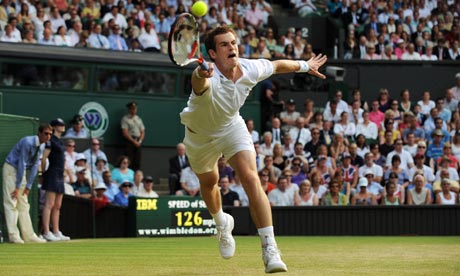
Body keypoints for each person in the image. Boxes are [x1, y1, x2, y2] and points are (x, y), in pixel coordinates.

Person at [180, 25, 326, 273]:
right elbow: (198, 83)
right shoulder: (206, 75)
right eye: (224, 44)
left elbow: (278, 65)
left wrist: (304, 65)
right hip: (199, 137)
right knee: (209, 182)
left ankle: (270, 249)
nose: (232, 47)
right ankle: (221, 224)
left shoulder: (250, 67)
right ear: (213, 54)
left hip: (230, 127)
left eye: (233, 42)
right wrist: (200, 74)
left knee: (251, 178)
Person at [3, 124, 51, 243]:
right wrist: (18, 186)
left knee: (24, 203)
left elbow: (35, 165)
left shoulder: (42, 145)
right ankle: (14, 236)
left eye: (50, 134)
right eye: (46, 133)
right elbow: (21, 162)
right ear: (39, 133)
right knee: (11, 202)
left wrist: (28, 186)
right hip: (11, 169)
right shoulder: (27, 142)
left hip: (20, 172)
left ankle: (29, 235)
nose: (48, 136)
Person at [41, 118, 70, 242]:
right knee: (49, 204)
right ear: (53, 127)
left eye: (63, 124)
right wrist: (44, 173)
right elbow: (44, 158)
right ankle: (47, 232)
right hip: (51, 173)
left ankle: (56, 231)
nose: (62, 126)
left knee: (57, 205)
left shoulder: (60, 142)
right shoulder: (50, 141)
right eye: (59, 125)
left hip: (59, 174)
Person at [121, 101, 145, 171]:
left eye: (135, 109)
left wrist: (139, 141)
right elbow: (125, 132)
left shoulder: (138, 119)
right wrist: (133, 141)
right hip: (129, 141)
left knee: (137, 160)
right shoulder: (125, 119)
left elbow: (143, 131)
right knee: (129, 159)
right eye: (132, 109)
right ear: (129, 109)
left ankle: (136, 176)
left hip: (138, 141)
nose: (133, 110)